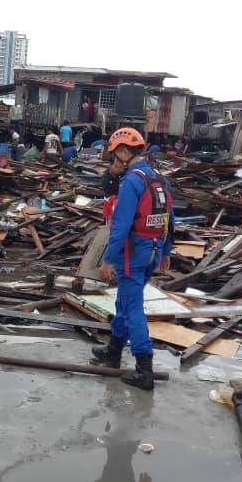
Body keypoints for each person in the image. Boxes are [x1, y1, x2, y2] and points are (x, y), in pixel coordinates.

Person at [90, 127, 175, 390]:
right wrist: (167, 251)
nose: (115, 159)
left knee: (133, 308)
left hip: (133, 252)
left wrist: (106, 259)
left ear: (126, 151)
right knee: (124, 301)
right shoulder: (159, 178)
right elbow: (170, 220)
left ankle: (144, 368)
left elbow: (121, 226)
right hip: (153, 249)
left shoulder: (132, 181)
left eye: (116, 154)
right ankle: (113, 351)